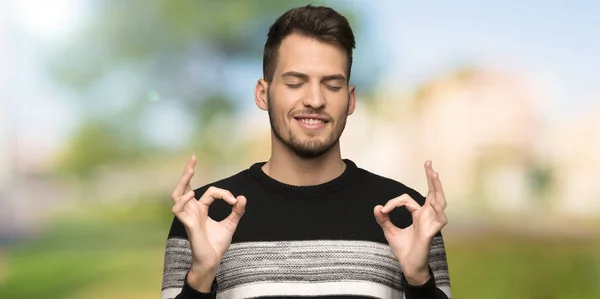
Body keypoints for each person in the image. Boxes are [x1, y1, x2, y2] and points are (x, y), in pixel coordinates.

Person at [161, 4, 452, 299]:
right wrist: (200, 279)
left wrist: (419, 281)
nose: (315, 99)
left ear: (350, 100)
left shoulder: (408, 216)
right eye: (295, 83)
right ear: (263, 94)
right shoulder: (203, 217)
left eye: (332, 85)